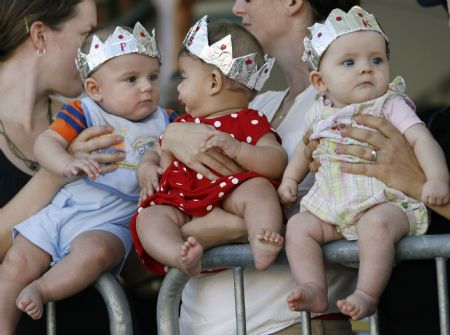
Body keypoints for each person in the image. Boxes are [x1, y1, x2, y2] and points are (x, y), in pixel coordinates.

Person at [154, 1, 362, 334]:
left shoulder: (348, 101)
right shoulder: (256, 105)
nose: (237, 7)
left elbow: (361, 211)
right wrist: (171, 136)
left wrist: (219, 228)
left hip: (290, 324)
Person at [277, 5, 449, 321]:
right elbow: (306, 150)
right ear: (319, 82)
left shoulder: (390, 104)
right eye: (349, 62)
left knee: (375, 225)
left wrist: (435, 180)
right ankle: (314, 287)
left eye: (376, 60)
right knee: (300, 226)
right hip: (333, 206)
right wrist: (290, 179)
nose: (366, 69)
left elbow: (422, 140)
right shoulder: (318, 112)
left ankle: (367, 293)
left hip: (386, 203)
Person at [0, 21, 169, 332]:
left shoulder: (167, 120)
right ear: (95, 89)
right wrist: (65, 164)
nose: (146, 86)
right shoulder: (84, 111)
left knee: (97, 253)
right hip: (67, 208)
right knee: (16, 263)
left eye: (153, 77)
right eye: (132, 79)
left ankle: (43, 289)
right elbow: (47, 142)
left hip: (112, 220)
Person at [131, 16, 287, 278]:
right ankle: (178, 255)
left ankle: (262, 240)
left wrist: (239, 150)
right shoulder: (183, 124)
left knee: (259, 190)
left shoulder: (250, 121)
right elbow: (156, 152)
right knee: (150, 216)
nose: (178, 87)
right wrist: (145, 167)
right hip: (181, 202)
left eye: (183, 77)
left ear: (213, 82)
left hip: (230, 196)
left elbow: (276, 161)